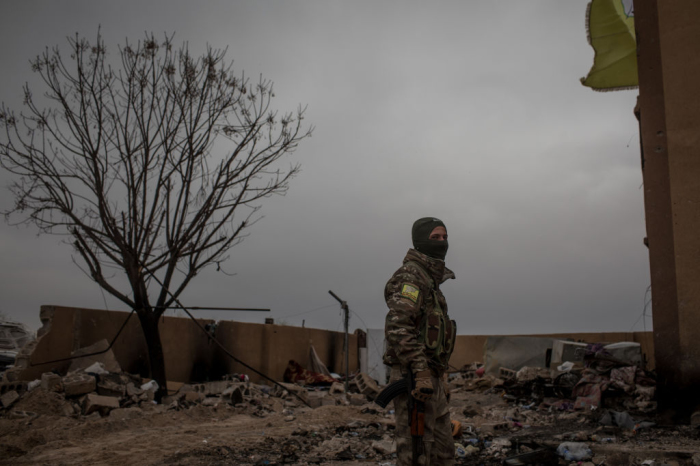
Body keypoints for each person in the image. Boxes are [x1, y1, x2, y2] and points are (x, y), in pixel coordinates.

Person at [383, 217, 457, 466]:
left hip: (432, 376)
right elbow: (399, 326)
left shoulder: (431, 280)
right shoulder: (411, 278)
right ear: (420, 241)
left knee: (443, 453)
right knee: (417, 453)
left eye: (444, 237)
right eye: (435, 238)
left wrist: (439, 375)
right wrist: (420, 369)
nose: (442, 243)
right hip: (414, 378)